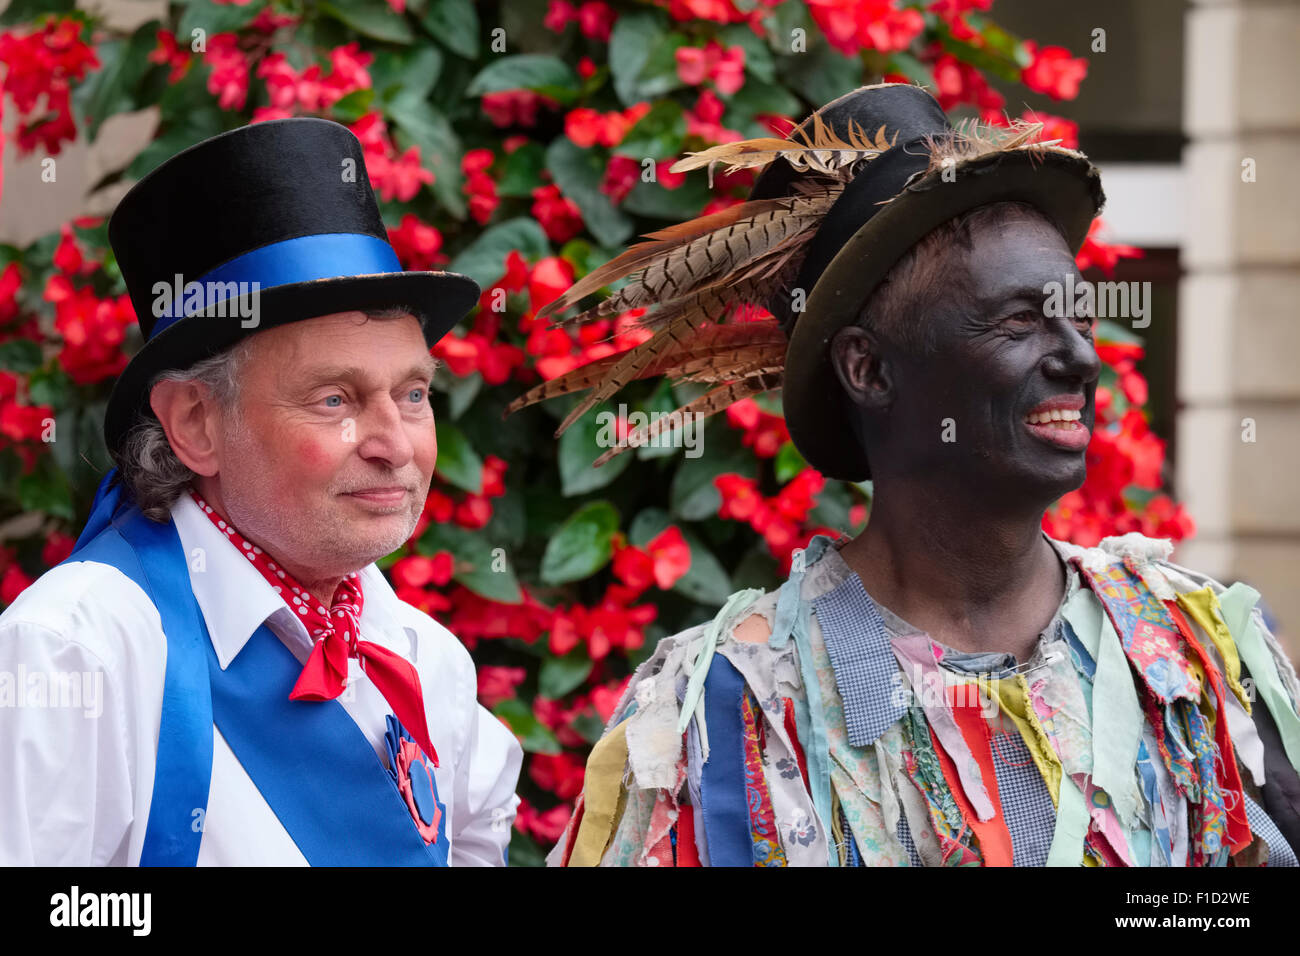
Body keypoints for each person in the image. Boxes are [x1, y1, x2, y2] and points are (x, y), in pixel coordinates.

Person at [517, 84, 1300, 866]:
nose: (1082, 358)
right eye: (1021, 322)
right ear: (868, 367)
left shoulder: (1188, 657)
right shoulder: (722, 707)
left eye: (1080, 316)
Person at [0, 118, 522, 866]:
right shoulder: (74, 651)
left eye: (412, 394)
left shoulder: (424, 658)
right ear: (196, 423)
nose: (396, 444)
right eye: (335, 400)